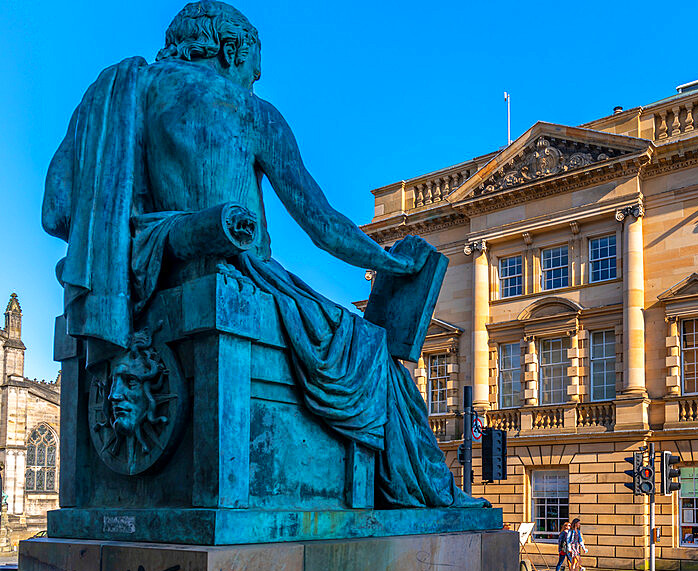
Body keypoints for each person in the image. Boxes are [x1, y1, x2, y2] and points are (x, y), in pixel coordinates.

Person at [40, 1, 486, 509]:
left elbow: (56, 212)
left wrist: (146, 229)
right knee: (375, 357)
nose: (256, 78)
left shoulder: (119, 93)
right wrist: (394, 264)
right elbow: (322, 225)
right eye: (255, 66)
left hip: (141, 275)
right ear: (231, 51)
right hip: (239, 270)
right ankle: (423, 491)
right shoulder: (248, 111)